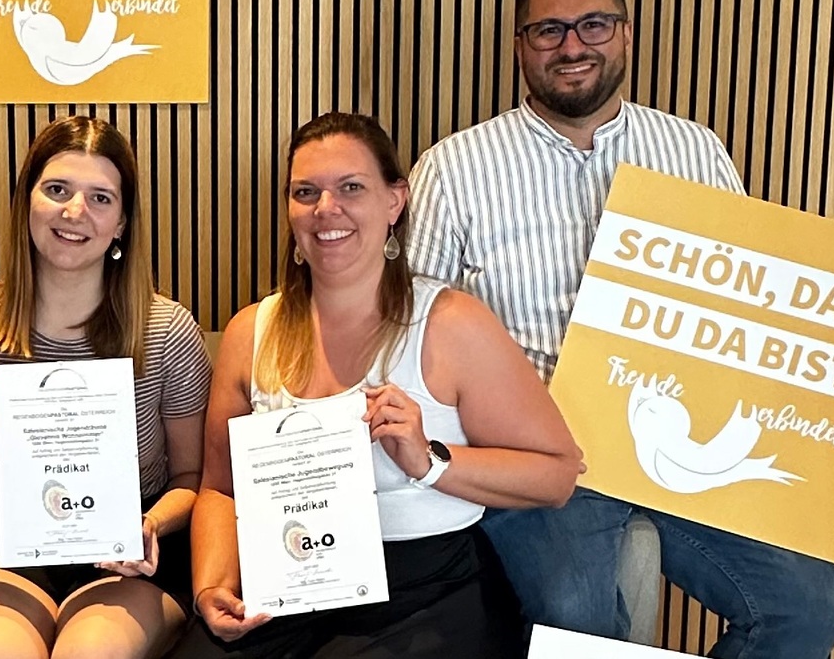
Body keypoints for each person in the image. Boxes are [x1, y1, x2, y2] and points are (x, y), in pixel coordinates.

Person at [406, 0, 834, 656]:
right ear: (520, 46)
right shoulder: (454, 168)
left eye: (593, 24)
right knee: (575, 615)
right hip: (538, 453)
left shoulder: (695, 152)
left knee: (813, 605)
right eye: (549, 30)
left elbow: (746, 307)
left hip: (679, 442)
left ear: (626, 33)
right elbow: (414, 337)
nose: (572, 46)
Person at [173, 112, 580, 659]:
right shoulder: (251, 333)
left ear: (395, 201)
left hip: (423, 596)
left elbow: (556, 474)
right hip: (285, 587)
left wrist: (429, 460)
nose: (326, 208)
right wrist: (211, 586)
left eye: (351, 188)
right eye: (306, 192)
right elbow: (220, 490)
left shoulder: (451, 324)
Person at [0, 115, 212, 659]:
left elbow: (193, 478)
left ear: (121, 223)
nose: (75, 212)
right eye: (57, 190)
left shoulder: (166, 331)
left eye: (101, 198)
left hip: (126, 557)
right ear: (26, 202)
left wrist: (149, 524)